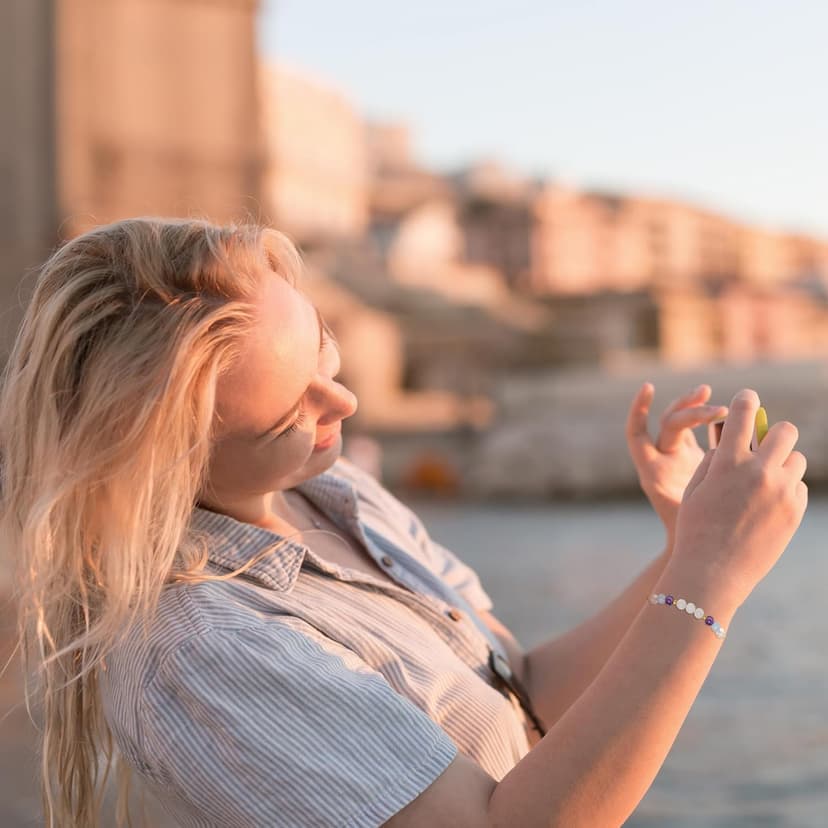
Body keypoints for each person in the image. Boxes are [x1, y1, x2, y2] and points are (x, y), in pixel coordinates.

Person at [0, 218, 807, 828]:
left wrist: (682, 547)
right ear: (162, 458)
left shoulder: (328, 491)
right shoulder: (200, 646)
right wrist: (709, 583)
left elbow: (526, 693)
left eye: (324, 355)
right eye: (293, 410)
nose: (345, 405)